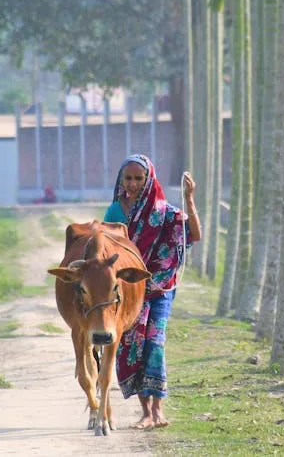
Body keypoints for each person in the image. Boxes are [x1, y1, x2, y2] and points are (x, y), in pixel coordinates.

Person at [103, 154, 201, 430]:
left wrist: (189, 199)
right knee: (132, 346)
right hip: (128, 291)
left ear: (148, 180)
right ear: (121, 180)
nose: (132, 184)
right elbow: (107, 251)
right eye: (128, 178)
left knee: (154, 343)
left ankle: (158, 410)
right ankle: (145, 412)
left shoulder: (164, 211)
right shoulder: (114, 213)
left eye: (138, 178)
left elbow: (193, 234)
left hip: (160, 288)